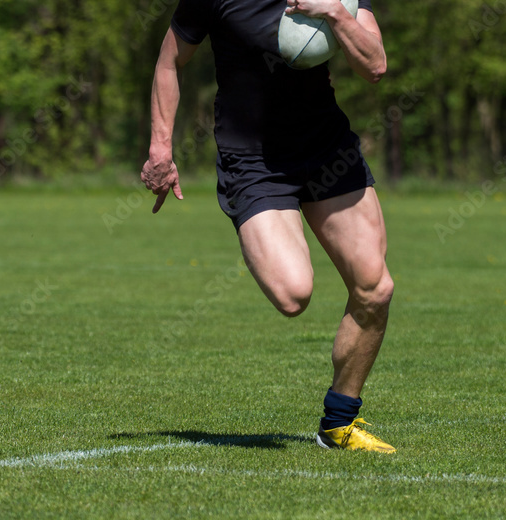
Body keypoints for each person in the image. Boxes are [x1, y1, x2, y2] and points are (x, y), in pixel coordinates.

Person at [141, 0, 396, 452]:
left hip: (327, 151)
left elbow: (375, 65)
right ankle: (259, 221)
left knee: (375, 287)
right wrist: (161, 148)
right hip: (254, 161)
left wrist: (335, 13)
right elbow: (169, 61)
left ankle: (339, 425)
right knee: (293, 293)